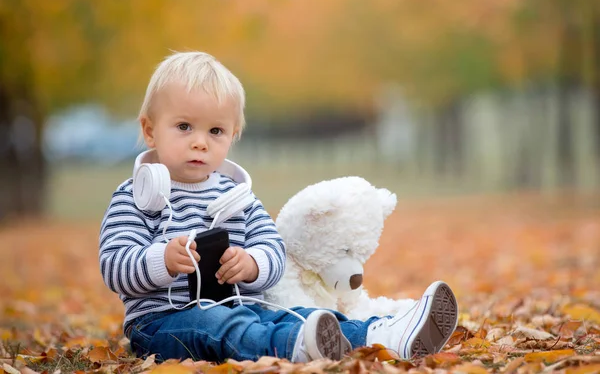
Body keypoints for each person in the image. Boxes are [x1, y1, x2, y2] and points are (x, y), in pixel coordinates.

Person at [99, 51, 459, 363]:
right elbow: (114, 265)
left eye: (215, 131)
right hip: (163, 321)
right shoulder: (136, 195)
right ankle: (298, 347)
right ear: (150, 130)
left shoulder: (237, 196)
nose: (200, 143)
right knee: (219, 327)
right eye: (183, 126)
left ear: (233, 135)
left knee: (299, 315)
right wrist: (159, 261)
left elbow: (273, 250)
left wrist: (252, 264)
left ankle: (383, 335)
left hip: (243, 307)